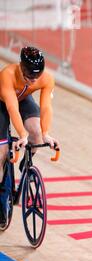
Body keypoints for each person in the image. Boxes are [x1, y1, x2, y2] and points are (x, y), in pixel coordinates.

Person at [0, 46, 59, 184]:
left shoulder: (47, 78)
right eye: (29, 74)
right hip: (3, 102)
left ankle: (25, 166)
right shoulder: (7, 75)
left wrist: (46, 133)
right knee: (1, 155)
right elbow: (12, 107)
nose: (33, 80)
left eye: (36, 76)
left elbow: (45, 107)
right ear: (21, 66)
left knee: (37, 134)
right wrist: (22, 134)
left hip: (22, 99)